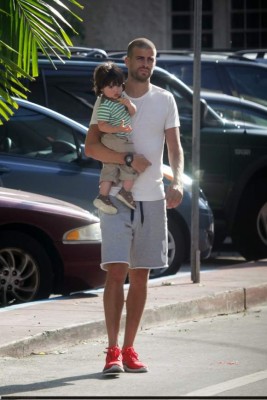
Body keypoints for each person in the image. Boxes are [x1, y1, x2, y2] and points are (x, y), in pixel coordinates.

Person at [85, 37, 184, 375]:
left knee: (140, 276)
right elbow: (91, 148)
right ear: (126, 61)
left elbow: (175, 147)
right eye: (139, 58)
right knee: (116, 271)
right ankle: (111, 350)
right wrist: (126, 157)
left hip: (153, 198)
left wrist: (178, 181)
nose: (145, 64)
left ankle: (129, 348)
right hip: (115, 196)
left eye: (150, 59)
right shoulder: (109, 96)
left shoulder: (164, 99)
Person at [92, 62, 138, 214]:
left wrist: (129, 104)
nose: (116, 90)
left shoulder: (121, 98)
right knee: (130, 160)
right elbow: (102, 126)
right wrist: (118, 128)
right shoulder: (104, 105)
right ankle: (125, 192)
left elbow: (132, 112)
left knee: (110, 167)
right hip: (114, 138)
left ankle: (103, 196)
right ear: (101, 89)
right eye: (110, 87)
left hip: (118, 137)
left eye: (118, 85)